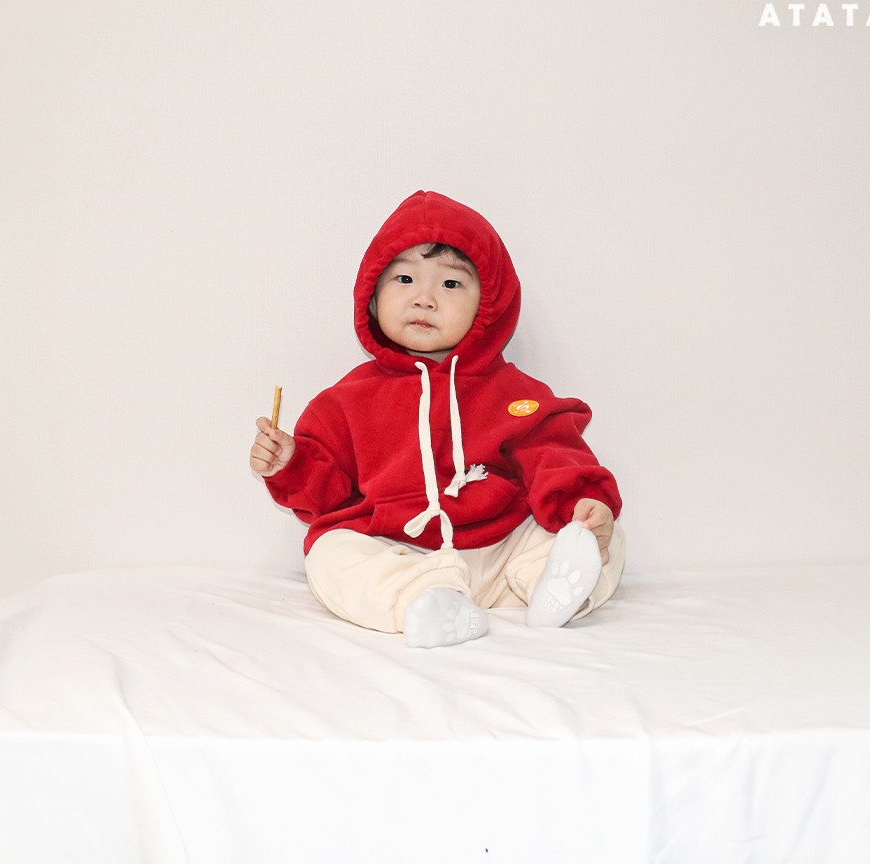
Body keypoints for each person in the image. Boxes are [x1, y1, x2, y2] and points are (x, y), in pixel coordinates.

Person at [249, 191, 625, 648]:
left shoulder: (513, 392)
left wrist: (584, 505)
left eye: (450, 284)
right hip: (401, 551)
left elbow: (554, 455)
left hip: (503, 551)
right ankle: (427, 601)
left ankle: (555, 587)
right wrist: (291, 465)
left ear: (489, 304)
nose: (424, 299)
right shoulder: (344, 402)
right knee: (329, 553)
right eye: (405, 279)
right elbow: (327, 499)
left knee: (596, 537)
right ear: (373, 297)